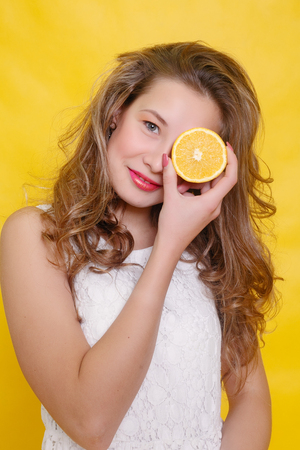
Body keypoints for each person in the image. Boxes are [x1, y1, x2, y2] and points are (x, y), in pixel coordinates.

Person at [0, 41, 278, 450]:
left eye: (184, 146)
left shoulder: (208, 253)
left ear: (210, 161)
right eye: (151, 126)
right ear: (116, 114)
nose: (155, 160)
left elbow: (251, 395)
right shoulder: (38, 236)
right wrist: (168, 246)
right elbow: (90, 423)